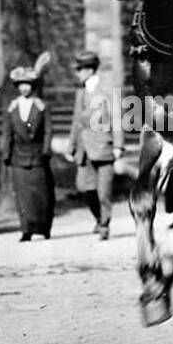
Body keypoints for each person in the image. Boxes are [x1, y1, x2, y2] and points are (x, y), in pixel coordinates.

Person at [65, 50, 124, 240]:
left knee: (104, 191)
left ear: (90, 70)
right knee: (84, 187)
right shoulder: (80, 92)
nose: (78, 73)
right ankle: (98, 218)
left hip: (104, 146)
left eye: (80, 69)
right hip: (84, 149)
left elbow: (117, 118)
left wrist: (118, 145)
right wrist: (71, 146)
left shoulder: (108, 90)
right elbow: (76, 121)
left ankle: (105, 225)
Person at [0, 65, 55, 241]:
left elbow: (48, 130)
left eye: (28, 84)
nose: (24, 88)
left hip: (38, 155)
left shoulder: (41, 106)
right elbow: (7, 132)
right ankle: (26, 229)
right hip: (18, 156)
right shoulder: (12, 107)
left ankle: (43, 227)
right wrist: (5, 154)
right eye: (21, 84)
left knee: (41, 194)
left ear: (33, 85)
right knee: (23, 196)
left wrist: (46, 151)